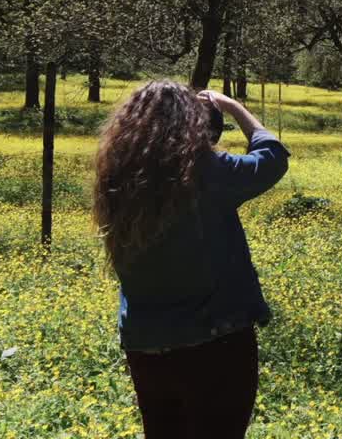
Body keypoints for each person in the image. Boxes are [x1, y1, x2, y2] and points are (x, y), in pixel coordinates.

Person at [92, 79, 289, 438]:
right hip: (217, 342)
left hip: (146, 342)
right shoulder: (205, 171)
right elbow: (272, 158)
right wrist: (232, 106)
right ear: (192, 123)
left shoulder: (116, 178)